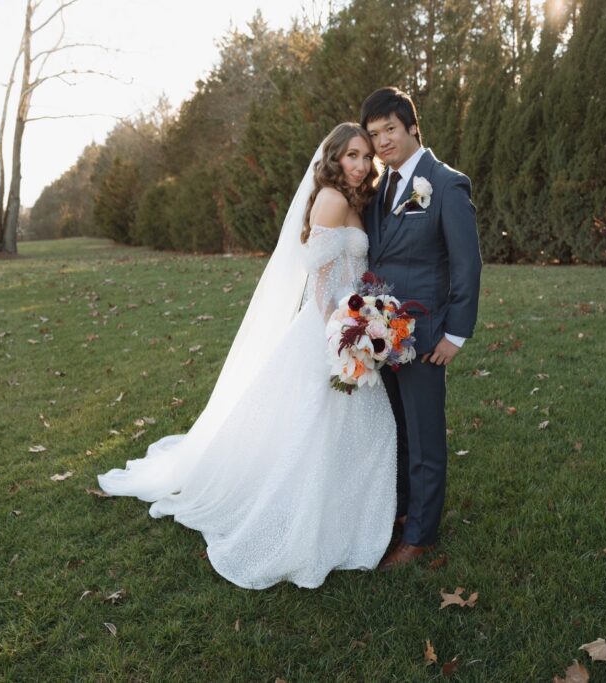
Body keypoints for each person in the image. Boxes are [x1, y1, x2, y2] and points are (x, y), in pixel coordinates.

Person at [97, 123, 397, 589]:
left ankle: (344, 511)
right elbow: (319, 281)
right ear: (335, 158)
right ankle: (306, 517)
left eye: (365, 157)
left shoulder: (354, 200)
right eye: (351, 156)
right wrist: (341, 337)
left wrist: (363, 323)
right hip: (329, 329)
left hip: (352, 322)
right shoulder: (332, 200)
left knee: (351, 428)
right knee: (318, 426)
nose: (360, 165)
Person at [361, 87, 482, 570]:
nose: (383, 141)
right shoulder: (381, 187)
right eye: (374, 135)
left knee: (427, 437)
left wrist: (456, 333)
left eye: (390, 129)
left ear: (412, 127)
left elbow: (467, 264)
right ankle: (404, 511)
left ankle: (422, 536)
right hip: (380, 333)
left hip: (428, 337)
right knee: (400, 432)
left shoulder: (445, 184)